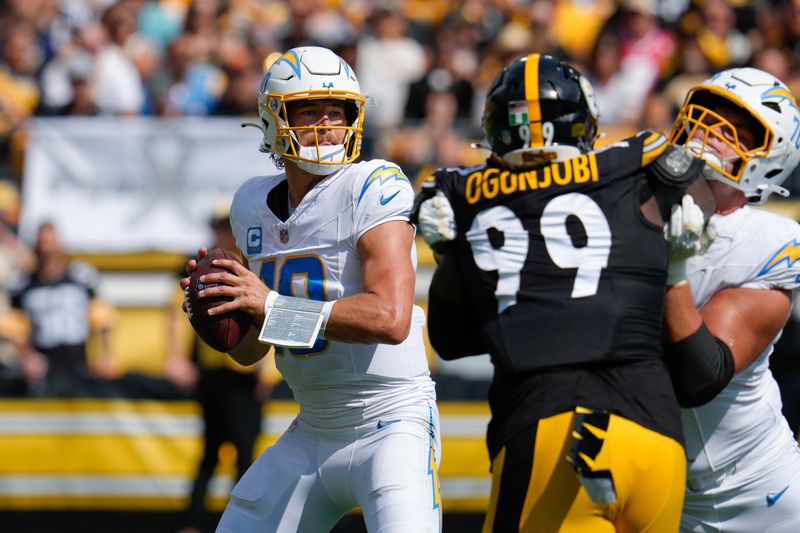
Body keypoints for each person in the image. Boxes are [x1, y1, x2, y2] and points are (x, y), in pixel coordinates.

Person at [414, 53, 709, 532]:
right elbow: (690, 180)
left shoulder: (464, 192)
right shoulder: (637, 165)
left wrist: (451, 252)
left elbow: (451, 338)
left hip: (551, 426)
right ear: (586, 122)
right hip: (657, 432)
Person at [181, 46, 441, 532]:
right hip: (313, 427)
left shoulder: (374, 184)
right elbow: (251, 353)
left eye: (336, 111)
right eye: (308, 110)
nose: (326, 124)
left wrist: (270, 302)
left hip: (392, 423)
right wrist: (222, 307)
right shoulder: (250, 204)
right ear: (274, 118)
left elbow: (389, 319)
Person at [661, 67, 800, 532]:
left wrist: (671, 269)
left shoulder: (768, 241)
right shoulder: (630, 202)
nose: (711, 131)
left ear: (774, 160)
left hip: (759, 488)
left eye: (737, 129)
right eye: (707, 115)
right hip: (655, 481)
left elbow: (697, 375)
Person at [168, 207, 276, 533]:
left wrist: (267, 371)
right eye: (217, 226)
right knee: (209, 456)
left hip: (246, 377)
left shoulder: (251, 265)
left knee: (246, 455)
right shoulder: (203, 266)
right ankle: (194, 524)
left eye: (226, 226)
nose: (222, 233)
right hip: (214, 375)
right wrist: (176, 357)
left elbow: (270, 311)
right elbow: (176, 311)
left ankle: (249, 524)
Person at [10, 222, 117, 396]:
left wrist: (105, 356)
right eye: (43, 243)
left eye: (50, 243)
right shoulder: (24, 284)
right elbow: (15, 329)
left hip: (80, 361)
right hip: (44, 366)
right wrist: (27, 357)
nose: (47, 250)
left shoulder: (81, 276)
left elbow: (103, 319)